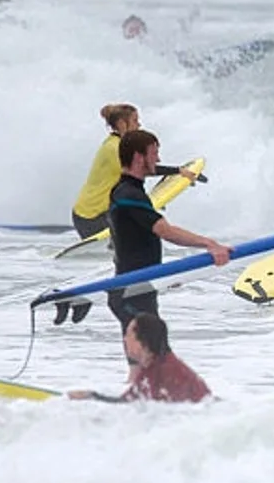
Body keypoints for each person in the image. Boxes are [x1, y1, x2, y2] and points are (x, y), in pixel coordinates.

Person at [58, 128, 229, 334]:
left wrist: (164, 278)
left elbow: (135, 243)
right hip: (132, 292)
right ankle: (74, 296)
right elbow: (165, 231)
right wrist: (209, 243)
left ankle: (80, 297)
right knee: (152, 358)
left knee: (150, 361)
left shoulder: (130, 191)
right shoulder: (128, 194)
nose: (158, 158)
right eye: (154, 153)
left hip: (138, 288)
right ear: (139, 157)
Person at [70, 103, 200, 239]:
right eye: (135, 121)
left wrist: (175, 178)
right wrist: (179, 171)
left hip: (100, 213)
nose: (139, 125)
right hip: (92, 217)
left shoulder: (120, 144)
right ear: (121, 124)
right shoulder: (114, 148)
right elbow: (143, 168)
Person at [67, 313, 211, 403]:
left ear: (144, 343)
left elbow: (130, 406)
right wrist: (92, 397)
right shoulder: (154, 366)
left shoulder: (166, 371)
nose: (124, 339)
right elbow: (130, 404)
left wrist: (93, 397)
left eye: (129, 334)